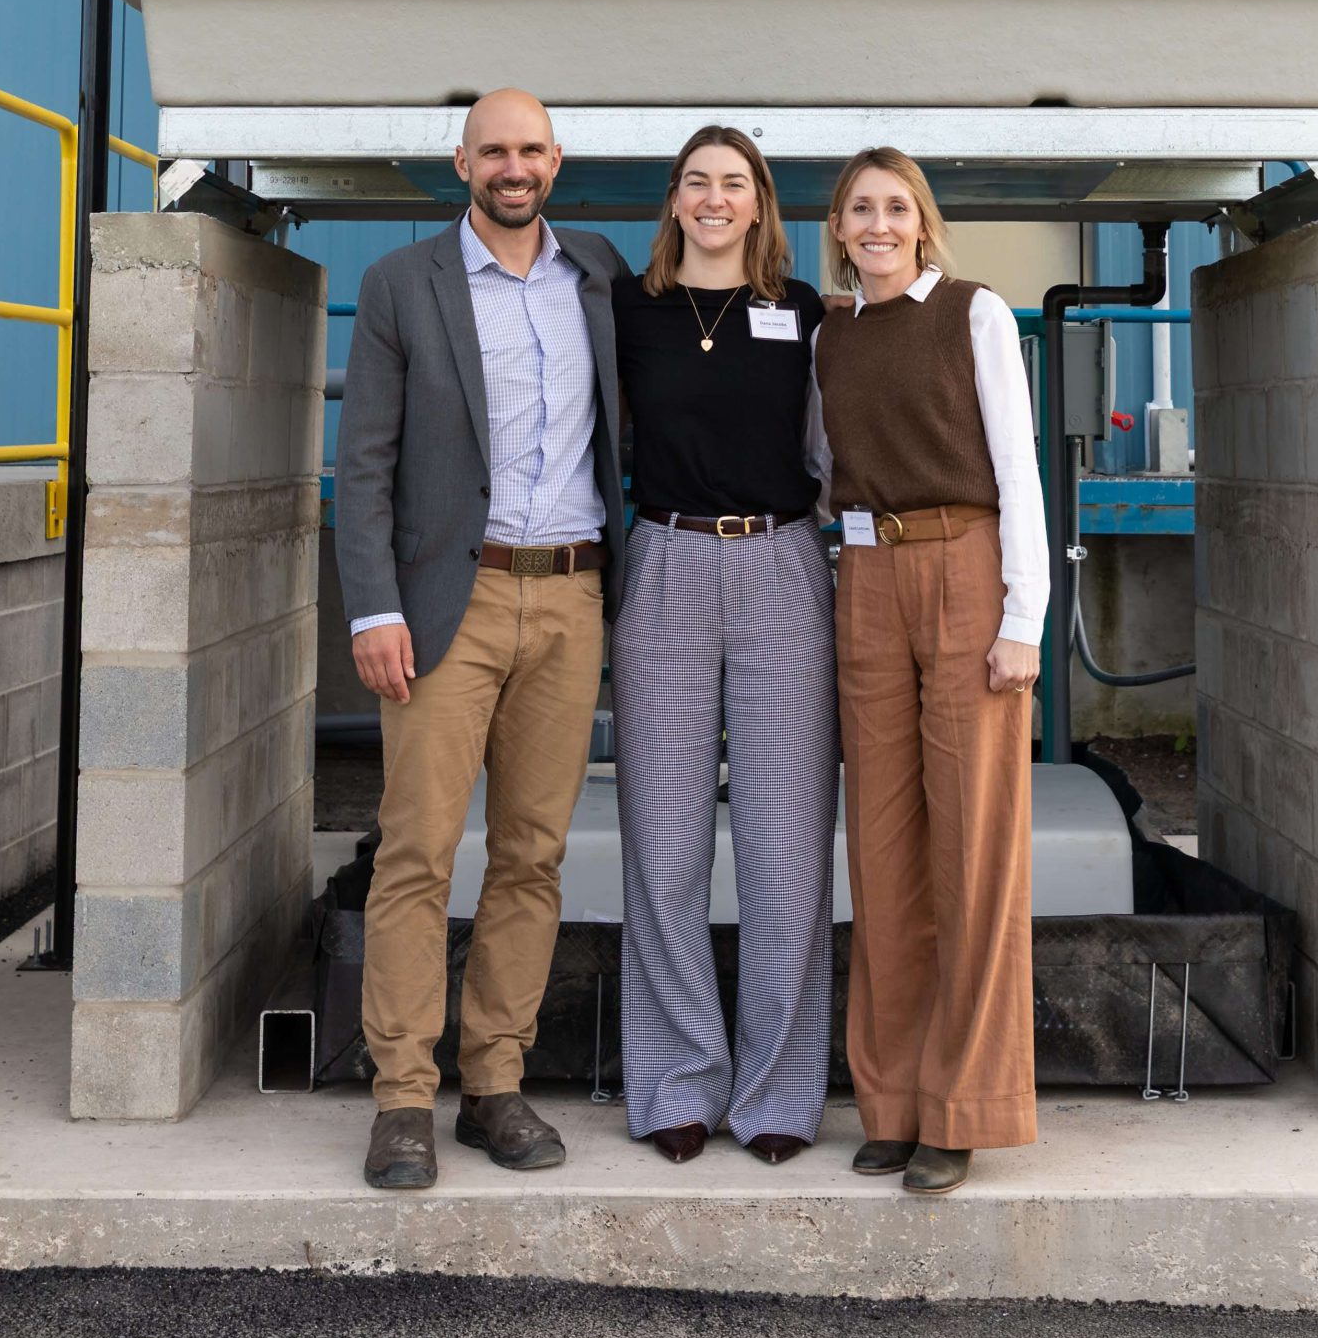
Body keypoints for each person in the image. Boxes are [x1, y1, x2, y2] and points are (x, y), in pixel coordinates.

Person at [334, 87, 630, 1191]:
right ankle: (404, 1097)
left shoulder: (595, 274)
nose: (514, 165)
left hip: (570, 600)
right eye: (493, 149)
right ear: (462, 161)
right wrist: (372, 607)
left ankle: (493, 1085)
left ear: (559, 157)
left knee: (533, 854)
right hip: (443, 604)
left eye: (531, 149)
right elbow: (362, 459)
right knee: (416, 851)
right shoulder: (400, 284)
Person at [810, 146, 1045, 1196]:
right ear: (838, 225)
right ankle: (893, 1102)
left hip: (965, 565)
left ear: (922, 220)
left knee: (973, 842)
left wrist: (1024, 617)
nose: (878, 222)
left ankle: (962, 1107)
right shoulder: (830, 335)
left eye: (895, 206)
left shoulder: (974, 314)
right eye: (860, 207)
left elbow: (1019, 469)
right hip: (863, 571)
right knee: (884, 848)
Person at [610, 126, 836, 1167]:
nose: (713, 199)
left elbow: (834, 450)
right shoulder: (629, 309)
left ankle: (780, 1090)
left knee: (785, 848)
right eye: (696, 182)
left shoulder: (802, 312)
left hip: (782, 566)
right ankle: (676, 1080)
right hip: (663, 564)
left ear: (759, 204)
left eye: (732, 184)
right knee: (665, 846)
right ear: (673, 199)